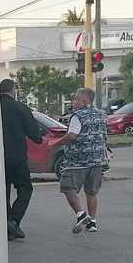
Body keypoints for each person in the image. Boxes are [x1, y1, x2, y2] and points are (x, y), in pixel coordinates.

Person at [49, 87, 108, 234]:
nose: (73, 101)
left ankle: (81, 214)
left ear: (84, 100)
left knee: (67, 187)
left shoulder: (77, 116)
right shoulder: (101, 114)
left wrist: (55, 144)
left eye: (76, 99)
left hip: (78, 160)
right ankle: (92, 222)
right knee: (92, 191)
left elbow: (72, 136)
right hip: (97, 160)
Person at [0, 78, 44, 240]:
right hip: (17, 157)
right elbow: (36, 136)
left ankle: (7, 225)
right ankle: (14, 221)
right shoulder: (21, 108)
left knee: (2, 192)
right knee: (25, 188)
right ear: (13, 90)